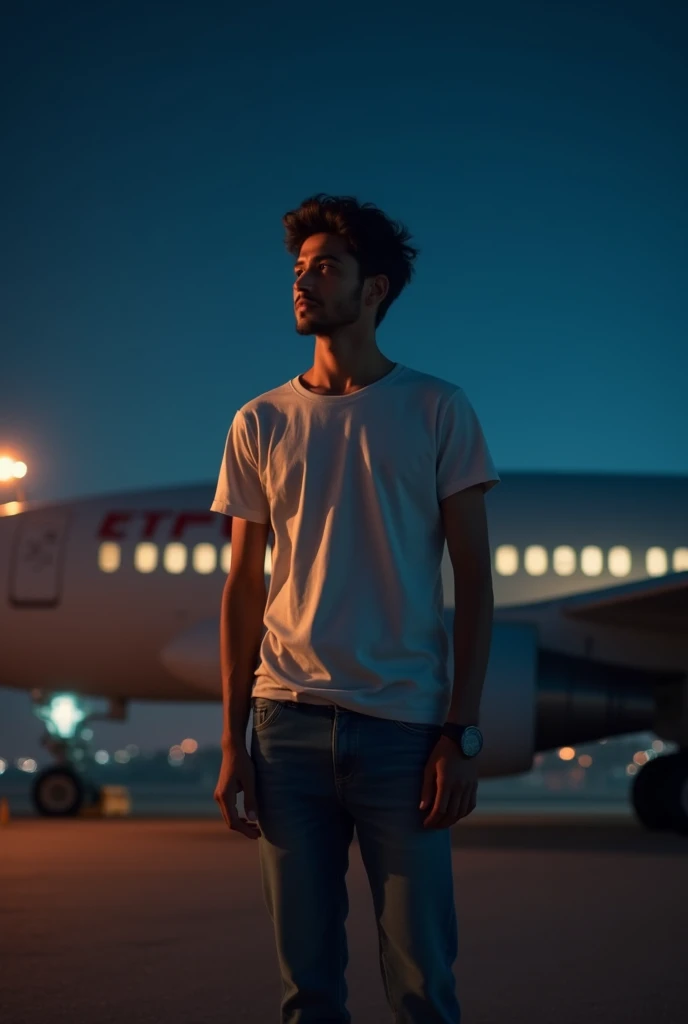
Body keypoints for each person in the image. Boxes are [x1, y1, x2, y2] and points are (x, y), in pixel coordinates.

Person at [210, 194, 500, 1023]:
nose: (304, 282)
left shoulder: (438, 409)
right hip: (286, 731)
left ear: (374, 290)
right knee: (308, 993)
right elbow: (242, 589)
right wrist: (233, 741)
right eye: (298, 269)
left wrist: (461, 731)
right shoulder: (258, 421)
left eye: (325, 266)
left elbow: (475, 583)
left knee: (424, 989)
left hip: (403, 736)